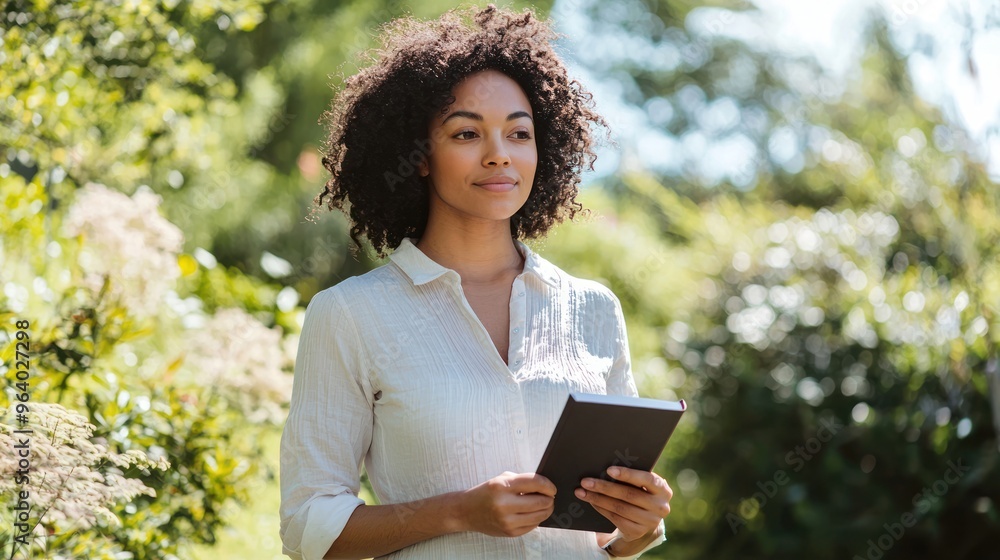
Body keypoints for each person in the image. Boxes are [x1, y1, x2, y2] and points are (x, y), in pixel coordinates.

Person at [280, 5, 672, 559]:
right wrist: (459, 512)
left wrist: (639, 526)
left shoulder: (593, 309)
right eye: (467, 133)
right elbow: (306, 526)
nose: (499, 155)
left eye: (519, 133)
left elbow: (607, 539)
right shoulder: (350, 315)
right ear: (418, 157)